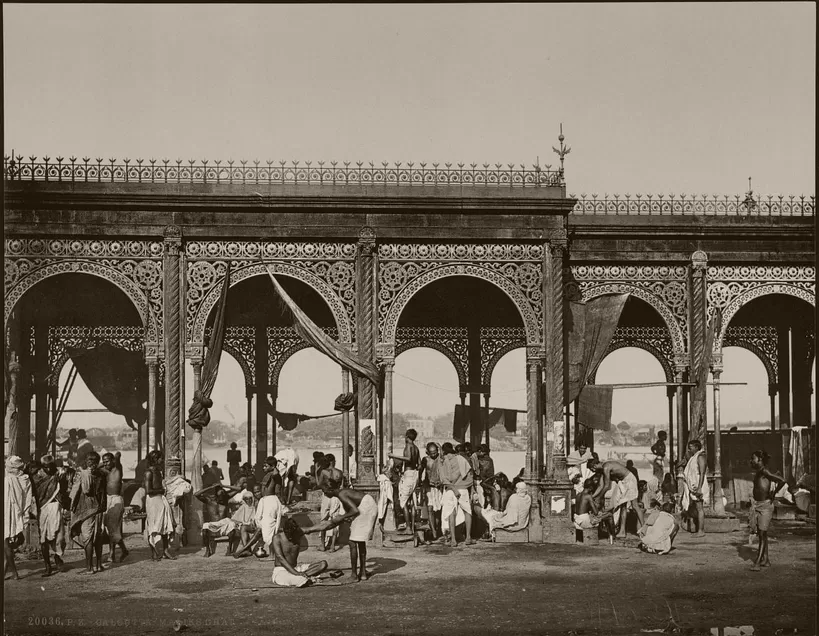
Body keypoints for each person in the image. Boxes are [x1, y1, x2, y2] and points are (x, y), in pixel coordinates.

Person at [321, 478, 379, 582]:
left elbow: (354, 510)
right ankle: (363, 573)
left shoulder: (341, 494)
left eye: (324, 491)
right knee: (360, 541)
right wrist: (345, 517)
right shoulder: (342, 493)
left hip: (366, 508)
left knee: (352, 542)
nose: (324, 494)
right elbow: (351, 510)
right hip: (369, 505)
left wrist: (341, 517)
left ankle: (354, 575)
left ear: (330, 489)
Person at [749, 450, 790, 571]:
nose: (751, 461)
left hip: (766, 506)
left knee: (762, 533)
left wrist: (774, 493)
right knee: (763, 533)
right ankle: (765, 560)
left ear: (760, 460)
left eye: (753, 458)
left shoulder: (764, 471)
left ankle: (757, 562)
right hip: (758, 505)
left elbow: (782, 480)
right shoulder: (759, 472)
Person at [31, 455, 69, 577]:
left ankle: (58, 557)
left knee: (60, 536)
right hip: (42, 509)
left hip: (56, 507)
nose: (49, 469)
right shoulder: (37, 476)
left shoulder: (59, 474)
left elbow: (64, 490)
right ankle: (47, 566)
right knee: (43, 539)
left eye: (51, 466)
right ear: (43, 466)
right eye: (46, 467)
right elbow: (34, 493)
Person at [69, 451, 107, 574]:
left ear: (87, 462)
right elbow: (103, 493)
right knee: (98, 536)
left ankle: (89, 568)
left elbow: (76, 492)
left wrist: (70, 507)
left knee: (88, 538)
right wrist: (102, 508)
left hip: (86, 509)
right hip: (99, 509)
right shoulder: (102, 475)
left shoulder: (82, 474)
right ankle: (99, 565)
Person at [271, 517, 334, 588]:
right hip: (281, 571)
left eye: (292, 534)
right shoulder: (277, 538)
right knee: (299, 580)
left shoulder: (299, 532)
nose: (291, 538)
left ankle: (304, 577)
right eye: (288, 534)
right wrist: (296, 573)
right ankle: (305, 578)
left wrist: (343, 518)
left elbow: (321, 527)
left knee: (323, 564)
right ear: (284, 530)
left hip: (296, 568)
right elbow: (280, 558)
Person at [590, 458, 645, 538]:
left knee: (635, 505)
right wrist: (593, 497)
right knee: (622, 506)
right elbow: (600, 486)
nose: (593, 471)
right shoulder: (602, 470)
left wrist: (599, 497)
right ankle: (622, 531)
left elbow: (606, 486)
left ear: (594, 465)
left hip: (629, 480)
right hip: (622, 482)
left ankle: (644, 529)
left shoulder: (606, 467)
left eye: (592, 468)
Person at [143, 450, 176, 561]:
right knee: (153, 526)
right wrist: (162, 490)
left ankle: (165, 550)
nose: (162, 460)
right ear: (156, 459)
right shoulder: (149, 473)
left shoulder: (159, 472)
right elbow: (149, 490)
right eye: (161, 458)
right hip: (153, 501)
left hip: (160, 500)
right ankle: (154, 552)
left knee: (165, 524)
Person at [440, 442, 475, 547]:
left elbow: (443, 479)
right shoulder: (462, 459)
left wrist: (453, 488)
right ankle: (468, 537)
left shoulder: (444, 461)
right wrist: (469, 488)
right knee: (467, 511)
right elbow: (470, 476)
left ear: (444, 451)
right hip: (463, 489)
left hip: (451, 490)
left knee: (451, 513)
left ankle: (453, 540)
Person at [4, 455, 33, 581]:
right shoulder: (22, 479)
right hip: (9, 514)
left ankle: (15, 573)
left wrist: (23, 514)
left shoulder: (20, 479)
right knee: (6, 545)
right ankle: (6, 572)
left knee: (6, 545)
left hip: (13, 514)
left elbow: (26, 500)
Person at [389, 428, 421, 535]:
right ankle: (412, 525)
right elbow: (419, 464)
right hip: (415, 474)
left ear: (407, 437)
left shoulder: (408, 446)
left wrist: (394, 456)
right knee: (412, 501)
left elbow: (408, 458)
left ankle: (408, 527)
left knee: (404, 502)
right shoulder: (416, 448)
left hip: (408, 475)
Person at [100, 452, 129, 564]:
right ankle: (122, 550)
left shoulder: (118, 469)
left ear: (113, 461)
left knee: (113, 528)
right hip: (107, 499)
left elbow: (118, 454)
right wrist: (103, 463)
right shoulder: (104, 471)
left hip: (116, 499)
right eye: (104, 462)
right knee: (109, 528)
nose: (105, 464)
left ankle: (112, 553)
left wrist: (113, 458)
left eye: (107, 461)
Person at [680, 439, 708, 537]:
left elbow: (702, 473)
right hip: (694, 486)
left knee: (699, 508)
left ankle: (701, 531)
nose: (689, 449)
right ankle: (698, 529)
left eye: (690, 447)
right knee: (696, 508)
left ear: (696, 447)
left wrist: (700, 487)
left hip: (698, 486)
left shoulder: (700, 456)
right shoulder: (694, 457)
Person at [316, 454, 344, 552]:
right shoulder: (339, 472)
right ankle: (332, 546)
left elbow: (319, 484)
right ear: (333, 461)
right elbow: (342, 485)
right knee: (335, 520)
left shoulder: (323, 472)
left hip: (326, 496)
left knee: (323, 520)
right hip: (336, 497)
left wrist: (316, 472)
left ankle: (322, 545)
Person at [419, 442, 444, 540]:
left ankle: (437, 528)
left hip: (439, 487)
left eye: (435, 452)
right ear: (427, 453)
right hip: (429, 486)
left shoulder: (440, 459)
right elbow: (420, 471)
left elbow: (443, 457)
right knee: (430, 508)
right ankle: (433, 530)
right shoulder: (425, 460)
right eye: (431, 453)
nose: (433, 455)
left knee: (438, 510)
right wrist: (419, 481)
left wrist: (440, 448)